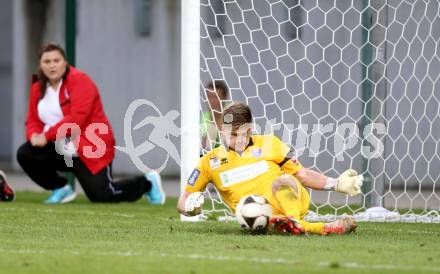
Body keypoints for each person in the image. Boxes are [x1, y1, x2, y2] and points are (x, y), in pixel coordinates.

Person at [177, 102, 363, 235]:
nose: (240, 140)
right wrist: (190, 209)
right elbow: (183, 200)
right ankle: (306, 226)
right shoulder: (209, 162)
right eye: (233, 135)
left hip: (292, 198)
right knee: (257, 214)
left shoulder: (271, 143)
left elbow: (303, 175)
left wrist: (337, 184)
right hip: (256, 216)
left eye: (245, 133)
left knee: (282, 180)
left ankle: (298, 223)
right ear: (222, 130)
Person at [16, 43, 166, 205]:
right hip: (60, 149)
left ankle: (147, 183)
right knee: (25, 153)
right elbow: (32, 119)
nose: (52, 65)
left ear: (65, 62)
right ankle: (60, 188)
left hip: (90, 148)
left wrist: (46, 135)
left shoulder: (80, 81)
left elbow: (76, 119)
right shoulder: (38, 86)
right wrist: (33, 136)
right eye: (47, 61)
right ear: (40, 64)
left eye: (56, 60)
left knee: (103, 196)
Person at [201, 80, 229, 150]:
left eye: (216, 97)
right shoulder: (205, 117)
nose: (212, 101)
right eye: (209, 97)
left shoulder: (233, 115)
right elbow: (204, 146)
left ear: (224, 98)